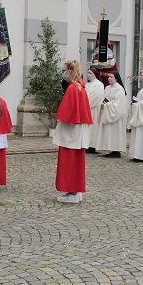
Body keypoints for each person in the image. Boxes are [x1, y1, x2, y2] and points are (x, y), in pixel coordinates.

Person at [53, 60, 93, 203]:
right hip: (78, 129)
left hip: (71, 131)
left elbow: (66, 113)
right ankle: (76, 190)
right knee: (76, 161)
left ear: (69, 72)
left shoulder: (72, 88)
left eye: (64, 70)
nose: (63, 73)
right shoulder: (80, 86)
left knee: (69, 161)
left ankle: (72, 192)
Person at [97, 72, 127, 157]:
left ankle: (116, 150)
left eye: (111, 77)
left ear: (116, 78)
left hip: (115, 114)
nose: (109, 78)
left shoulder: (119, 89)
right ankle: (110, 148)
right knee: (109, 132)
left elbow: (118, 103)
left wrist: (107, 105)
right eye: (109, 77)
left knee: (115, 132)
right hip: (108, 112)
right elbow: (104, 98)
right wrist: (102, 103)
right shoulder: (107, 88)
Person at [84, 68, 104, 154]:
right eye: (88, 73)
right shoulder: (87, 84)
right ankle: (86, 144)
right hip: (86, 109)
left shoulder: (99, 84)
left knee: (93, 128)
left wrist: (86, 98)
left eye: (90, 73)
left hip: (93, 109)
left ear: (95, 74)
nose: (88, 75)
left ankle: (92, 146)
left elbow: (96, 96)